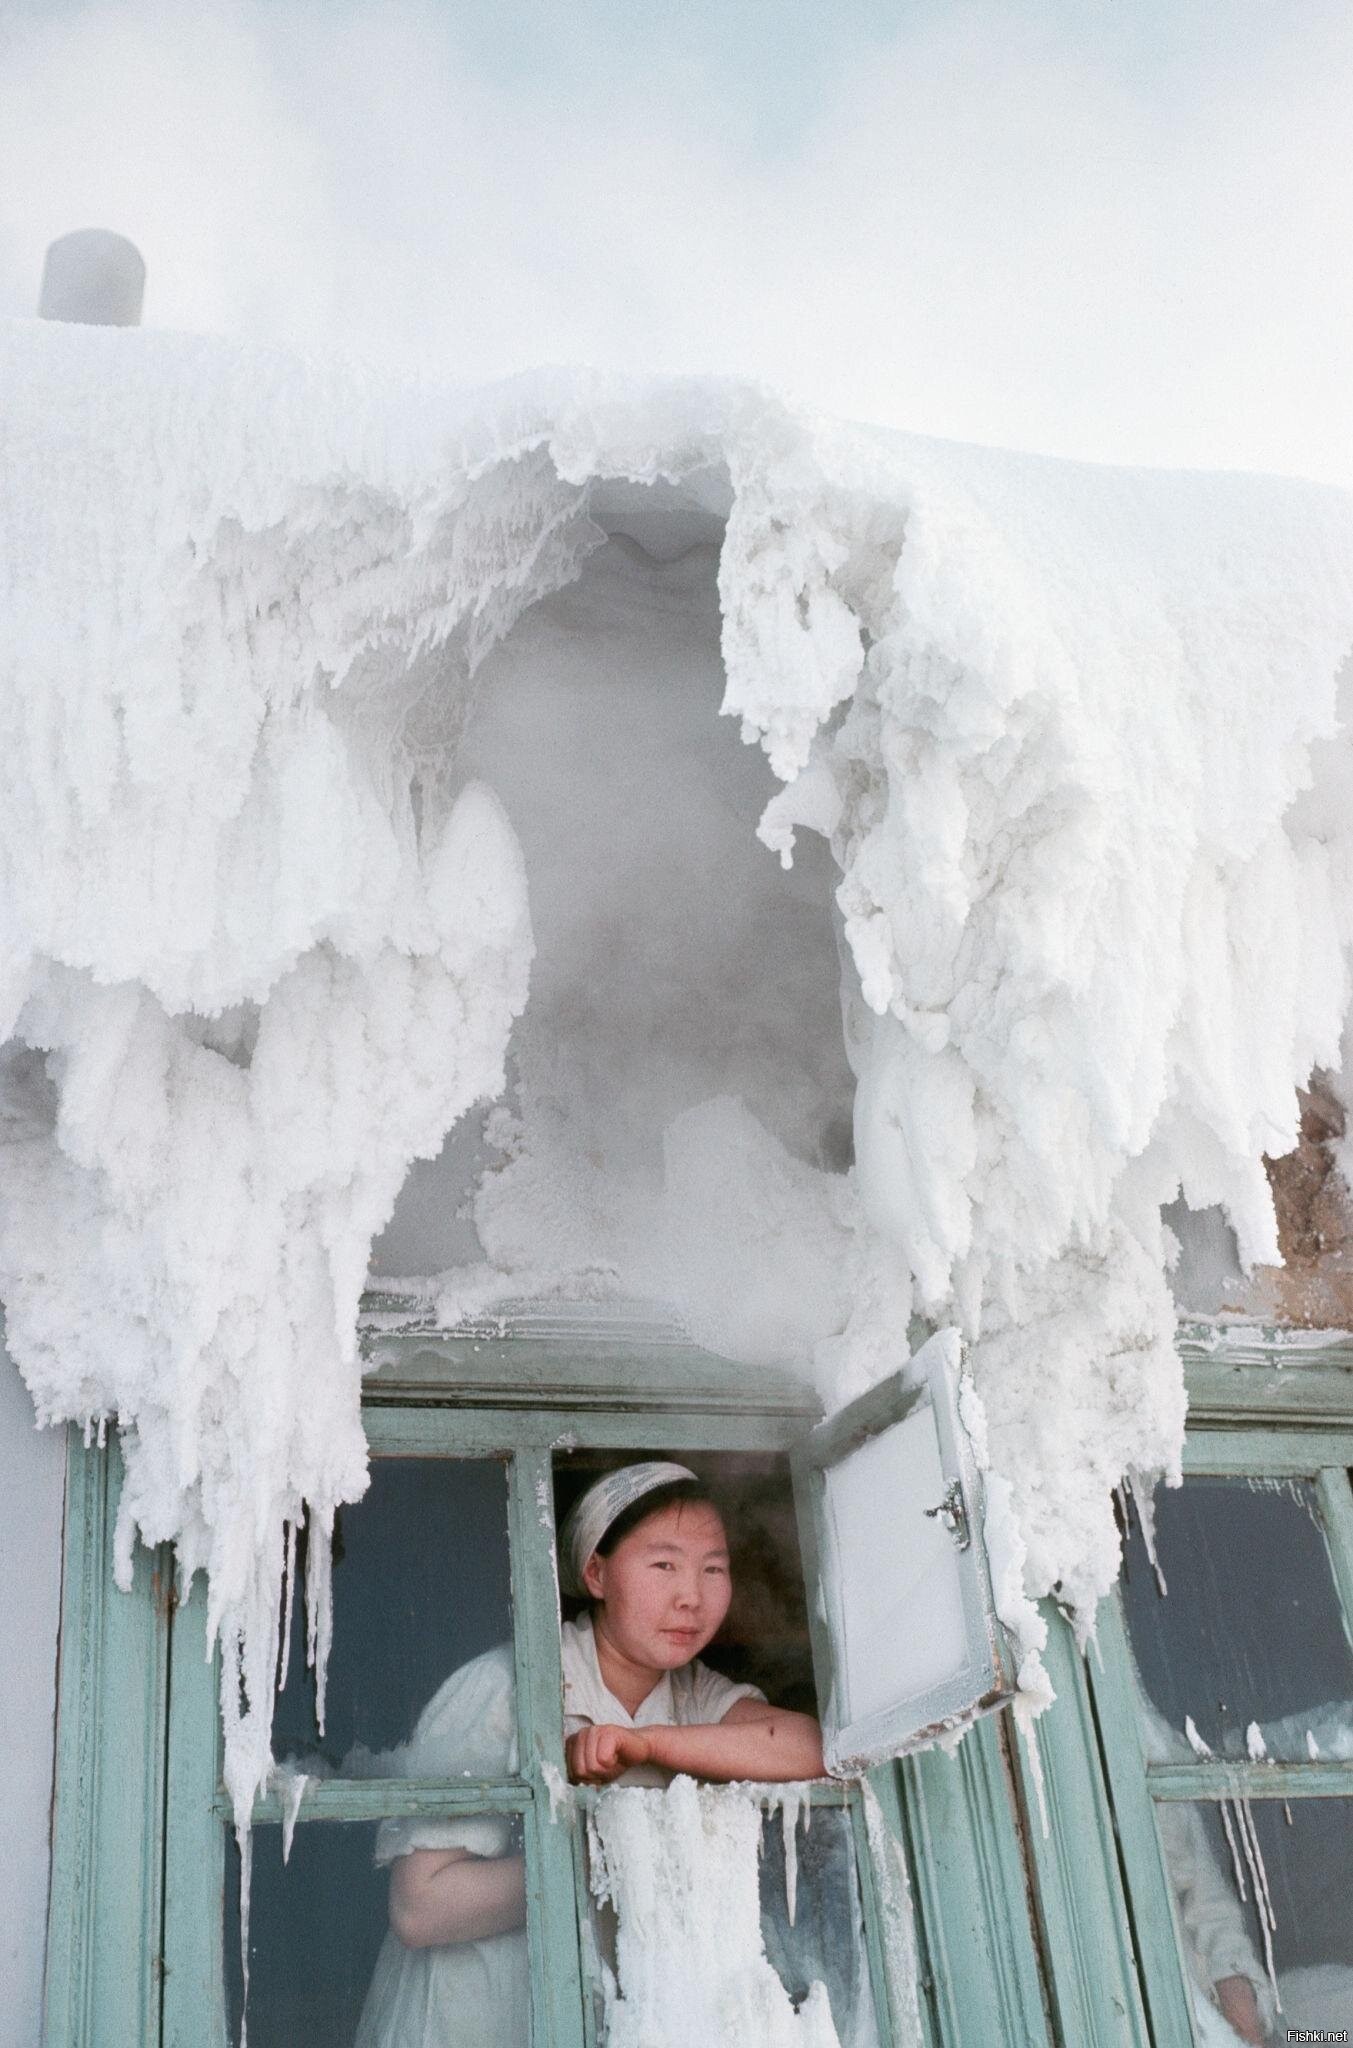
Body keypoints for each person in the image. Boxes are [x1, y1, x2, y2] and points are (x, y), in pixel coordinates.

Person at [355, 1461, 825, 2048]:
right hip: (474, 2019)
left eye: (714, 1569)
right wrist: (611, 1857)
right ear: (596, 1573)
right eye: (664, 1565)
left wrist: (646, 1746)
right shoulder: (508, 1685)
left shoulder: (694, 1692)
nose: (691, 1597)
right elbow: (419, 1910)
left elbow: (808, 1746)